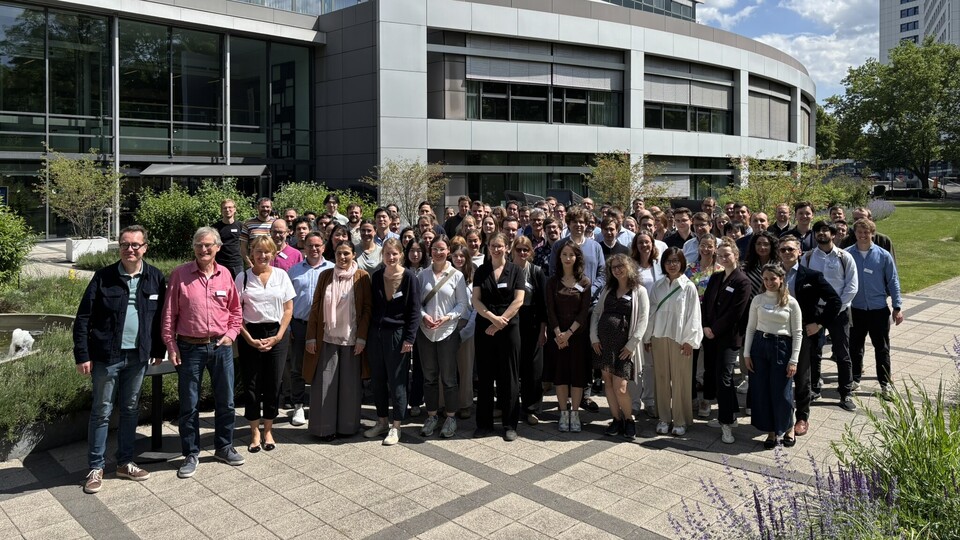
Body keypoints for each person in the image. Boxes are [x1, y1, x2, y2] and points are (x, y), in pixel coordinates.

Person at [75, 225, 167, 494]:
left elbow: (161, 318)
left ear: (145, 248)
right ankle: (95, 466)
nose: (130, 249)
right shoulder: (103, 277)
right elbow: (83, 319)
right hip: (106, 356)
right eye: (125, 244)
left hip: (138, 357)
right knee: (102, 411)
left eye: (135, 245)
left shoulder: (155, 277)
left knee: (130, 409)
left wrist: (158, 350)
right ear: (119, 247)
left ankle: (125, 462)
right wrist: (83, 354)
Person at [162, 227, 244, 478]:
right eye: (199, 245)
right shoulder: (180, 274)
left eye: (209, 245)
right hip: (189, 347)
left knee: (226, 401)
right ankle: (191, 453)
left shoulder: (225, 274)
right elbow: (168, 315)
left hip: (220, 346)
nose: (204, 249)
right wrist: (171, 345)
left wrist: (231, 335)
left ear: (218, 247)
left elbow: (235, 312)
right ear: (193, 247)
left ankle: (224, 446)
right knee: (189, 404)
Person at [304, 242, 372, 441]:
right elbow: (315, 307)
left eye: (346, 253)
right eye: (339, 253)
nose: (343, 257)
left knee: (349, 386)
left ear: (353, 254)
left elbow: (367, 309)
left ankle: (347, 427)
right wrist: (310, 337)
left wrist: (362, 337)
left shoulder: (362, 277)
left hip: (352, 339)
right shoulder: (325, 276)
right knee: (324, 384)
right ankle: (323, 429)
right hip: (326, 337)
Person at [235, 236, 295, 453]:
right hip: (250, 333)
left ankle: (268, 429)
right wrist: (248, 337)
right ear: (251, 253)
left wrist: (278, 336)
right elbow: (235, 312)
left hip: (276, 333)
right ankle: (254, 432)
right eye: (258, 252)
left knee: (273, 383)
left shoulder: (282, 276)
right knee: (251, 385)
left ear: (273, 254)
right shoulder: (242, 278)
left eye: (266, 252)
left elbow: (288, 309)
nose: (262, 256)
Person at [778, 235, 841, 438]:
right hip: (778, 331)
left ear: (799, 252)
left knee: (802, 377)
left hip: (803, 332)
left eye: (790, 249)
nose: (787, 253)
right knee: (780, 375)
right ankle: (782, 416)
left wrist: (820, 324)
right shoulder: (773, 274)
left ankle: (802, 417)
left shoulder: (811, 276)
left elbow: (834, 301)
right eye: (783, 250)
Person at [364, 238, 421, 446]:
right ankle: (381, 421)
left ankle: (396, 426)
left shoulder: (409, 278)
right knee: (378, 380)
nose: (391, 257)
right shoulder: (377, 276)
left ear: (401, 255)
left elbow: (414, 311)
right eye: (387, 254)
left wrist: (409, 338)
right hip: (376, 334)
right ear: (383, 255)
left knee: (397, 382)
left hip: (398, 335)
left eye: (394, 253)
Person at [643, 247, 702, 437]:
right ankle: (664, 418)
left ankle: (680, 419)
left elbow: (694, 315)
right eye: (668, 261)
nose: (672, 264)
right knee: (660, 379)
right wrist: (647, 337)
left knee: (680, 380)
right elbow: (651, 313)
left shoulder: (688, 286)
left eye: (676, 261)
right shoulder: (658, 286)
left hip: (680, 339)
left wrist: (689, 340)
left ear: (682, 262)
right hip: (659, 336)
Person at [472, 233, 526, 441]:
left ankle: (510, 424)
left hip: (509, 327)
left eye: (500, 246)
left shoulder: (516, 271)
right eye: (493, 245)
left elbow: (519, 300)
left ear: (507, 247)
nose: (496, 249)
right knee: (485, 376)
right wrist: (492, 318)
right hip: (485, 327)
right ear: (488, 247)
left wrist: (500, 321)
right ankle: (484, 424)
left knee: (509, 377)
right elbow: (476, 300)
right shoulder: (481, 271)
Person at [743, 264, 802, 449]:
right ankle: (771, 431)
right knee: (762, 390)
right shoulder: (758, 300)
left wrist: (794, 359)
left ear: (781, 279)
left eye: (773, 279)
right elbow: (751, 328)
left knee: (781, 392)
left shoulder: (791, 302)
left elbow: (797, 332)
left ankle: (788, 427)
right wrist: (746, 354)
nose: (769, 282)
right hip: (760, 347)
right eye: (766, 279)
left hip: (781, 348)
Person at [591, 255, 649, 441]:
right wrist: (593, 337)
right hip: (604, 344)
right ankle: (616, 419)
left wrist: (632, 344)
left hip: (624, 347)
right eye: (613, 267)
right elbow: (596, 313)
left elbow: (643, 320)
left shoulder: (639, 291)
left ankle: (629, 419)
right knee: (607, 383)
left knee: (621, 387)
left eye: (620, 266)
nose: (617, 270)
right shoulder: (608, 289)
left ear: (629, 267)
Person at [802, 220, 858, 412]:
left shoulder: (845, 257)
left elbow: (851, 287)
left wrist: (836, 308)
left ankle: (846, 393)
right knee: (814, 353)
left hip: (839, 312)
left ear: (833, 234)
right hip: (815, 311)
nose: (821, 233)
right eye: (818, 231)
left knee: (842, 354)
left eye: (825, 230)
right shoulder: (808, 257)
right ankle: (814, 389)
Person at [417, 236, 469, 438]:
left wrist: (448, 317)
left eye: (442, 249)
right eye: (435, 249)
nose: (438, 253)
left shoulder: (456, 275)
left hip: (447, 332)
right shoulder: (423, 275)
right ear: (430, 251)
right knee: (429, 377)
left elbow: (462, 304)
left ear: (449, 251)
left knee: (448, 378)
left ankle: (450, 417)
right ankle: (431, 416)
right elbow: (417, 303)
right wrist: (424, 316)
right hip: (426, 332)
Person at [700, 240, 751, 444]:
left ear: (736, 256)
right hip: (710, 335)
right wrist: (705, 326)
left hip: (729, 337)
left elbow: (735, 313)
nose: (723, 258)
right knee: (715, 375)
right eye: (720, 255)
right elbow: (706, 305)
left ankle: (727, 422)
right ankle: (727, 415)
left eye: (727, 255)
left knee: (725, 377)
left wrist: (715, 329)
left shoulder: (742, 281)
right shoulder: (716, 277)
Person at [846, 218, 903, 399]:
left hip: (878, 309)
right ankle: (854, 379)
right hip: (856, 309)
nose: (862, 236)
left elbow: (893, 281)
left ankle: (885, 384)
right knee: (855, 347)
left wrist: (897, 306)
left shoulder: (883, 255)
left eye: (866, 232)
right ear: (855, 233)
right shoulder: (847, 254)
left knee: (882, 348)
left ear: (872, 233)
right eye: (859, 232)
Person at [286, 232, 334, 427]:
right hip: (300, 325)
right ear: (303, 247)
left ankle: (318, 404)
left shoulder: (333, 269)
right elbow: (286, 301)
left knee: (322, 367)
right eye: (310, 245)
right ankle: (298, 406)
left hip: (325, 327)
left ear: (323, 247)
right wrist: (288, 326)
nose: (314, 249)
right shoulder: (294, 271)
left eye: (317, 245)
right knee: (297, 367)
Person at [545, 242, 592, 432]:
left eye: (571, 255)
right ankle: (563, 413)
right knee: (561, 375)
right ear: (559, 257)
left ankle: (575, 413)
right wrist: (558, 333)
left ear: (577, 258)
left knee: (577, 375)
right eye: (564, 254)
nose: (567, 258)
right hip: (558, 337)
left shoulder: (585, 282)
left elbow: (583, 312)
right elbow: (550, 310)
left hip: (578, 336)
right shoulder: (552, 282)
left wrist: (569, 333)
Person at [511, 235, 547, 425]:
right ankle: (511, 406)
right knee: (513, 367)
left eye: (526, 249)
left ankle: (531, 408)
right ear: (513, 250)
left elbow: (543, 304)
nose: (522, 253)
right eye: (519, 249)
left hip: (533, 324)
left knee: (533, 369)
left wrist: (543, 329)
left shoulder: (536, 272)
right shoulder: (506, 271)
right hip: (512, 323)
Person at [449, 245, 477, 419]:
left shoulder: (473, 280)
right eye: (455, 256)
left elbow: (476, 308)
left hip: (467, 326)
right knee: (446, 369)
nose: (459, 259)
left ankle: (465, 404)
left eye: (462, 256)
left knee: (466, 368)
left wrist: (467, 331)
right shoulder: (445, 276)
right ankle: (446, 403)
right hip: (446, 327)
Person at [212, 199, 244, 279]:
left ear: (234, 209)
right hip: (220, 263)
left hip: (237, 264)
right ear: (221, 210)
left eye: (230, 207)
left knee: (238, 289)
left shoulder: (241, 226)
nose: (227, 210)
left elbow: (245, 244)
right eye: (225, 208)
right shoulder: (215, 227)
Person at [240, 198, 275, 268]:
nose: (265, 209)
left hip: (272, 264)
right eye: (263, 207)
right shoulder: (248, 224)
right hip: (254, 264)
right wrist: (249, 263)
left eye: (267, 207)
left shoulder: (275, 223)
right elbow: (243, 247)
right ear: (257, 207)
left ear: (271, 208)